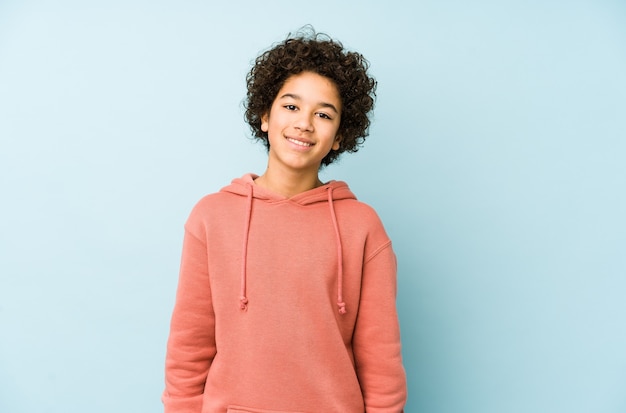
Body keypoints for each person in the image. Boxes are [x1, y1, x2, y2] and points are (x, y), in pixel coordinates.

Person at [162, 28, 407, 413]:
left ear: (340, 136)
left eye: (323, 114)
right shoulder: (212, 216)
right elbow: (189, 347)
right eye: (291, 107)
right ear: (264, 115)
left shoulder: (362, 226)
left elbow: (380, 360)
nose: (304, 123)